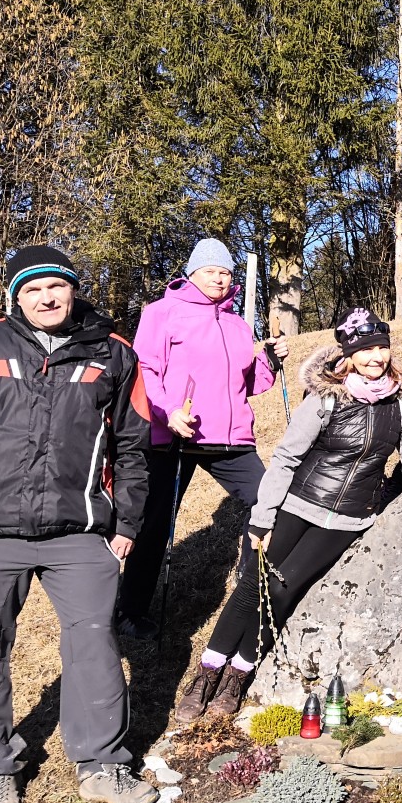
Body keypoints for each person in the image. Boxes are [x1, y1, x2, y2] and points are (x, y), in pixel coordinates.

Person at [0, 245, 159, 803]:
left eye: (56, 286)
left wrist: (126, 523)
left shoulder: (114, 353)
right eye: (32, 289)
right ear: (15, 297)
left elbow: (133, 447)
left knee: (95, 645)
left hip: (79, 531)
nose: (46, 298)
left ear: (73, 289)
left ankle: (102, 764)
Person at [174, 308, 402, 722]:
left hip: (347, 520)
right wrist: (262, 518)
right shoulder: (327, 397)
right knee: (252, 585)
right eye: (366, 350)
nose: (376, 357)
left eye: (381, 348)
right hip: (297, 505)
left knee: (281, 592)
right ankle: (206, 673)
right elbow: (286, 458)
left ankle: (237, 675)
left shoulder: (399, 401)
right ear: (349, 355)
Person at [116, 238, 288, 640]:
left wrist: (269, 360)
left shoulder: (237, 324)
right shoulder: (162, 312)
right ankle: (129, 611)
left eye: (225, 272)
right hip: (174, 434)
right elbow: (145, 371)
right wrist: (167, 412)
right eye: (210, 271)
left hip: (229, 438)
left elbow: (247, 383)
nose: (218, 278)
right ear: (192, 274)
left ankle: (247, 587)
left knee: (267, 502)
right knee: (154, 525)